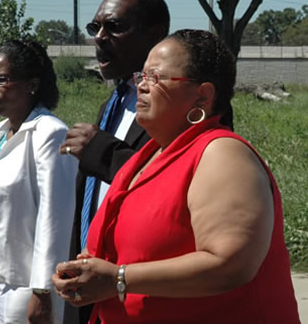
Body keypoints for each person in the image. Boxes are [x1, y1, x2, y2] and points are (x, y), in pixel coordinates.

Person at [53, 29, 300, 324]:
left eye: (155, 78)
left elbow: (231, 264)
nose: (142, 86)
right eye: (141, 77)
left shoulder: (221, 154)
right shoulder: (145, 158)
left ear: (203, 95)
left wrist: (119, 278)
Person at [59, 0, 170, 324]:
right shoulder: (116, 99)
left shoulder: (181, 103)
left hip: (135, 284)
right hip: (89, 277)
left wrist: (103, 153)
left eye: (115, 27)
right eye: (95, 28)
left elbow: (174, 179)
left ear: (155, 34)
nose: (99, 37)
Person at [0, 40, 78, 324]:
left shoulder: (50, 134)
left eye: (1, 80)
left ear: (32, 84)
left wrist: (43, 291)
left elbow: (54, 219)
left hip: (22, 286)